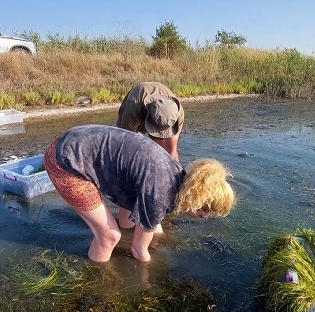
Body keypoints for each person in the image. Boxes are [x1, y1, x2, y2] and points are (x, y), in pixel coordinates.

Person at [43, 124, 234, 262]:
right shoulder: (159, 197)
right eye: (202, 216)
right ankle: (97, 283)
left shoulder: (175, 173)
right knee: (110, 237)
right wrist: (149, 271)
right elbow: (138, 251)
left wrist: (156, 232)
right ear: (196, 203)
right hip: (64, 162)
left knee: (126, 223)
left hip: (77, 138)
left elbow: (135, 218)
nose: (201, 218)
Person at [116, 81, 185, 161]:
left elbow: (172, 151)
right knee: (128, 145)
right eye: (157, 132)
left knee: (168, 151)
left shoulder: (178, 114)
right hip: (138, 101)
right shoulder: (132, 108)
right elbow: (123, 143)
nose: (160, 136)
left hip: (164, 105)